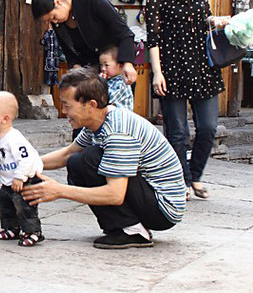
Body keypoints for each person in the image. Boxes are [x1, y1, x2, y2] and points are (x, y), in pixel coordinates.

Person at [21, 67, 186, 249]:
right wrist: (25, 166)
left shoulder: (118, 130)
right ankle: (124, 226)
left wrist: (58, 190)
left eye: (68, 105)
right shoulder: (98, 121)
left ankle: (133, 231)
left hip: (163, 207)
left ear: (91, 105)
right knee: (77, 162)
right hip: (148, 196)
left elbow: (115, 194)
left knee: (88, 158)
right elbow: (68, 154)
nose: (63, 110)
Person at [145, 0, 226, 201]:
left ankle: (196, 174)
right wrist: (157, 73)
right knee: (177, 131)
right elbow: (153, 39)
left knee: (208, 128)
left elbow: (205, 19)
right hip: (171, 68)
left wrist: (217, 21)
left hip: (203, 67)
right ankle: (182, 180)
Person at [31, 0, 137, 87]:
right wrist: (76, 70)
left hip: (115, 69)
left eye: (53, 17)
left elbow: (124, 32)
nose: (54, 22)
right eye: (50, 21)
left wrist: (128, 63)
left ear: (58, 2)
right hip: (90, 76)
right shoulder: (60, 24)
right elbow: (69, 52)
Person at [0, 91, 45, 247]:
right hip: (9, 182)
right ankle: (12, 227)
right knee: (2, 202)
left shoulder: (14, 138)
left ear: (5, 118)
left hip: (25, 180)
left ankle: (33, 232)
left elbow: (27, 159)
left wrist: (20, 177)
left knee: (24, 206)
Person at [98, 45, 134, 111]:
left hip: (121, 119)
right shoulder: (109, 81)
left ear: (120, 66)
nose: (103, 69)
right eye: (101, 65)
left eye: (106, 65)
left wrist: (100, 83)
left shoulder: (122, 84)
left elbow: (106, 101)